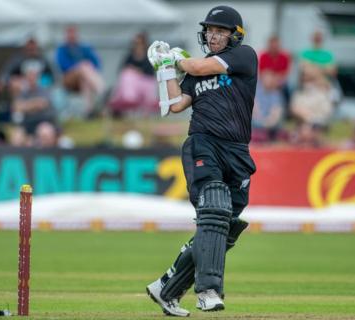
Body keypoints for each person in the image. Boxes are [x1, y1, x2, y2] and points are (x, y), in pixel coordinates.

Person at [145, 5, 257, 316]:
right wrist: (165, 69)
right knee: (215, 210)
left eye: (220, 30)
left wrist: (176, 60)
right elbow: (174, 105)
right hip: (203, 143)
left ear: (235, 35)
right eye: (209, 30)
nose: (213, 35)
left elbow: (197, 68)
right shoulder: (198, 68)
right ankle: (208, 291)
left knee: (224, 227)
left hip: (236, 150)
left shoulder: (244, 57)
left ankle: (165, 287)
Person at [55, 25, 105, 117]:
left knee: (85, 79)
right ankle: (102, 92)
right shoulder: (62, 49)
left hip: (84, 77)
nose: (71, 36)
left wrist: (87, 66)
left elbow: (97, 63)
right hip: (69, 79)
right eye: (69, 33)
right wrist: (80, 66)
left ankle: (89, 110)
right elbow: (63, 66)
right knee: (83, 68)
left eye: (73, 33)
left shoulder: (85, 48)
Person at [108, 32, 158, 117]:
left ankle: (128, 100)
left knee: (128, 75)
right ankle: (127, 101)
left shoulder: (150, 57)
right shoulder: (130, 56)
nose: (137, 46)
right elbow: (122, 70)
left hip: (146, 86)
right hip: (131, 86)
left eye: (139, 43)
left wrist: (135, 71)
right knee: (126, 76)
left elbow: (150, 73)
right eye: (135, 43)